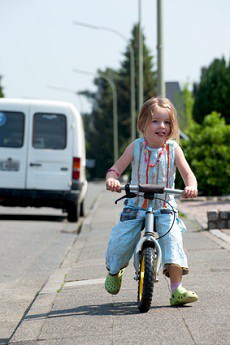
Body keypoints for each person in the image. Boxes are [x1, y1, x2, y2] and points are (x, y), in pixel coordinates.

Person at [105, 97, 198, 306]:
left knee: (173, 240)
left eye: (166, 122)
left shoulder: (173, 149)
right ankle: (114, 270)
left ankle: (176, 289)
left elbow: (188, 174)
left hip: (164, 205)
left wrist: (191, 186)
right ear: (143, 124)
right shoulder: (135, 147)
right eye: (155, 121)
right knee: (121, 240)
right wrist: (112, 179)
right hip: (137, 204)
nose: (161, 126)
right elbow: (116, 168)